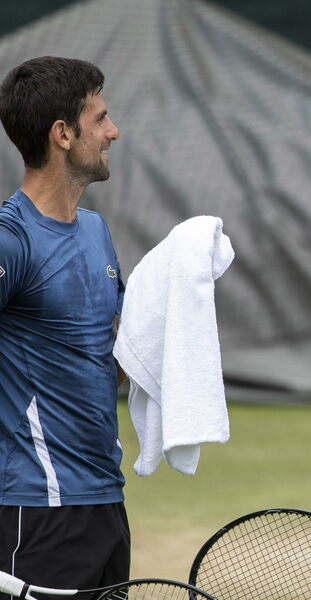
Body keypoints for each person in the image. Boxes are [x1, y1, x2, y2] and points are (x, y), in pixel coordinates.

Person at [0, 57, 129, 593]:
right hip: (36, 511)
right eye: (100, 119)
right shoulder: (10, 240)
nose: (112, 131)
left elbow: (108, 364)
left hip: (107, 502)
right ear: (63, 134)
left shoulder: (96, 231)